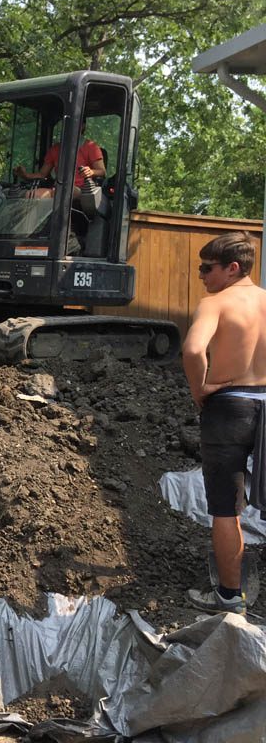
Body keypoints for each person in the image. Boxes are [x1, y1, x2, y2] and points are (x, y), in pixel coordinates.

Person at [182, 231, 266, 616]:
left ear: (232, 268)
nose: (201, 275)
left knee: (225, 508)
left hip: (229, 407)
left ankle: (230, 598)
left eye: (207, 268)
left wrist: (200, 388)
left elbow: (193, 349)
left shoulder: (215, 303)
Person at [13, 121, 106, 200]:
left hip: (81, 190)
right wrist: (25, 175)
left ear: (82, 126)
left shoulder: (91, 147)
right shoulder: (55, 149)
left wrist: (91, 171)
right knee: (29, 195)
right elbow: (42, 174)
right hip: (57, 189)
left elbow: (102, 171)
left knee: (65, 191)